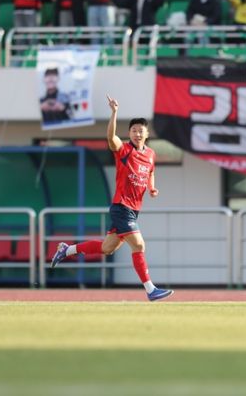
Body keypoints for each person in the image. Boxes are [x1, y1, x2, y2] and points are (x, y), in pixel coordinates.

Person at [52, 95, 173, 302]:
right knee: (139, 245)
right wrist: (114, 113)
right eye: (133, 130)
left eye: (140, 130)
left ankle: (67, 249)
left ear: (146, 134)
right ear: (129, 133)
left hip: (133, 209)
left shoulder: (151, 154)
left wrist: (152, 188)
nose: (137, 133)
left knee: (107, 248)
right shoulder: (124, 149)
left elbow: (150, 172)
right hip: (121, 206)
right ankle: (150, 289)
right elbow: (111, 138)